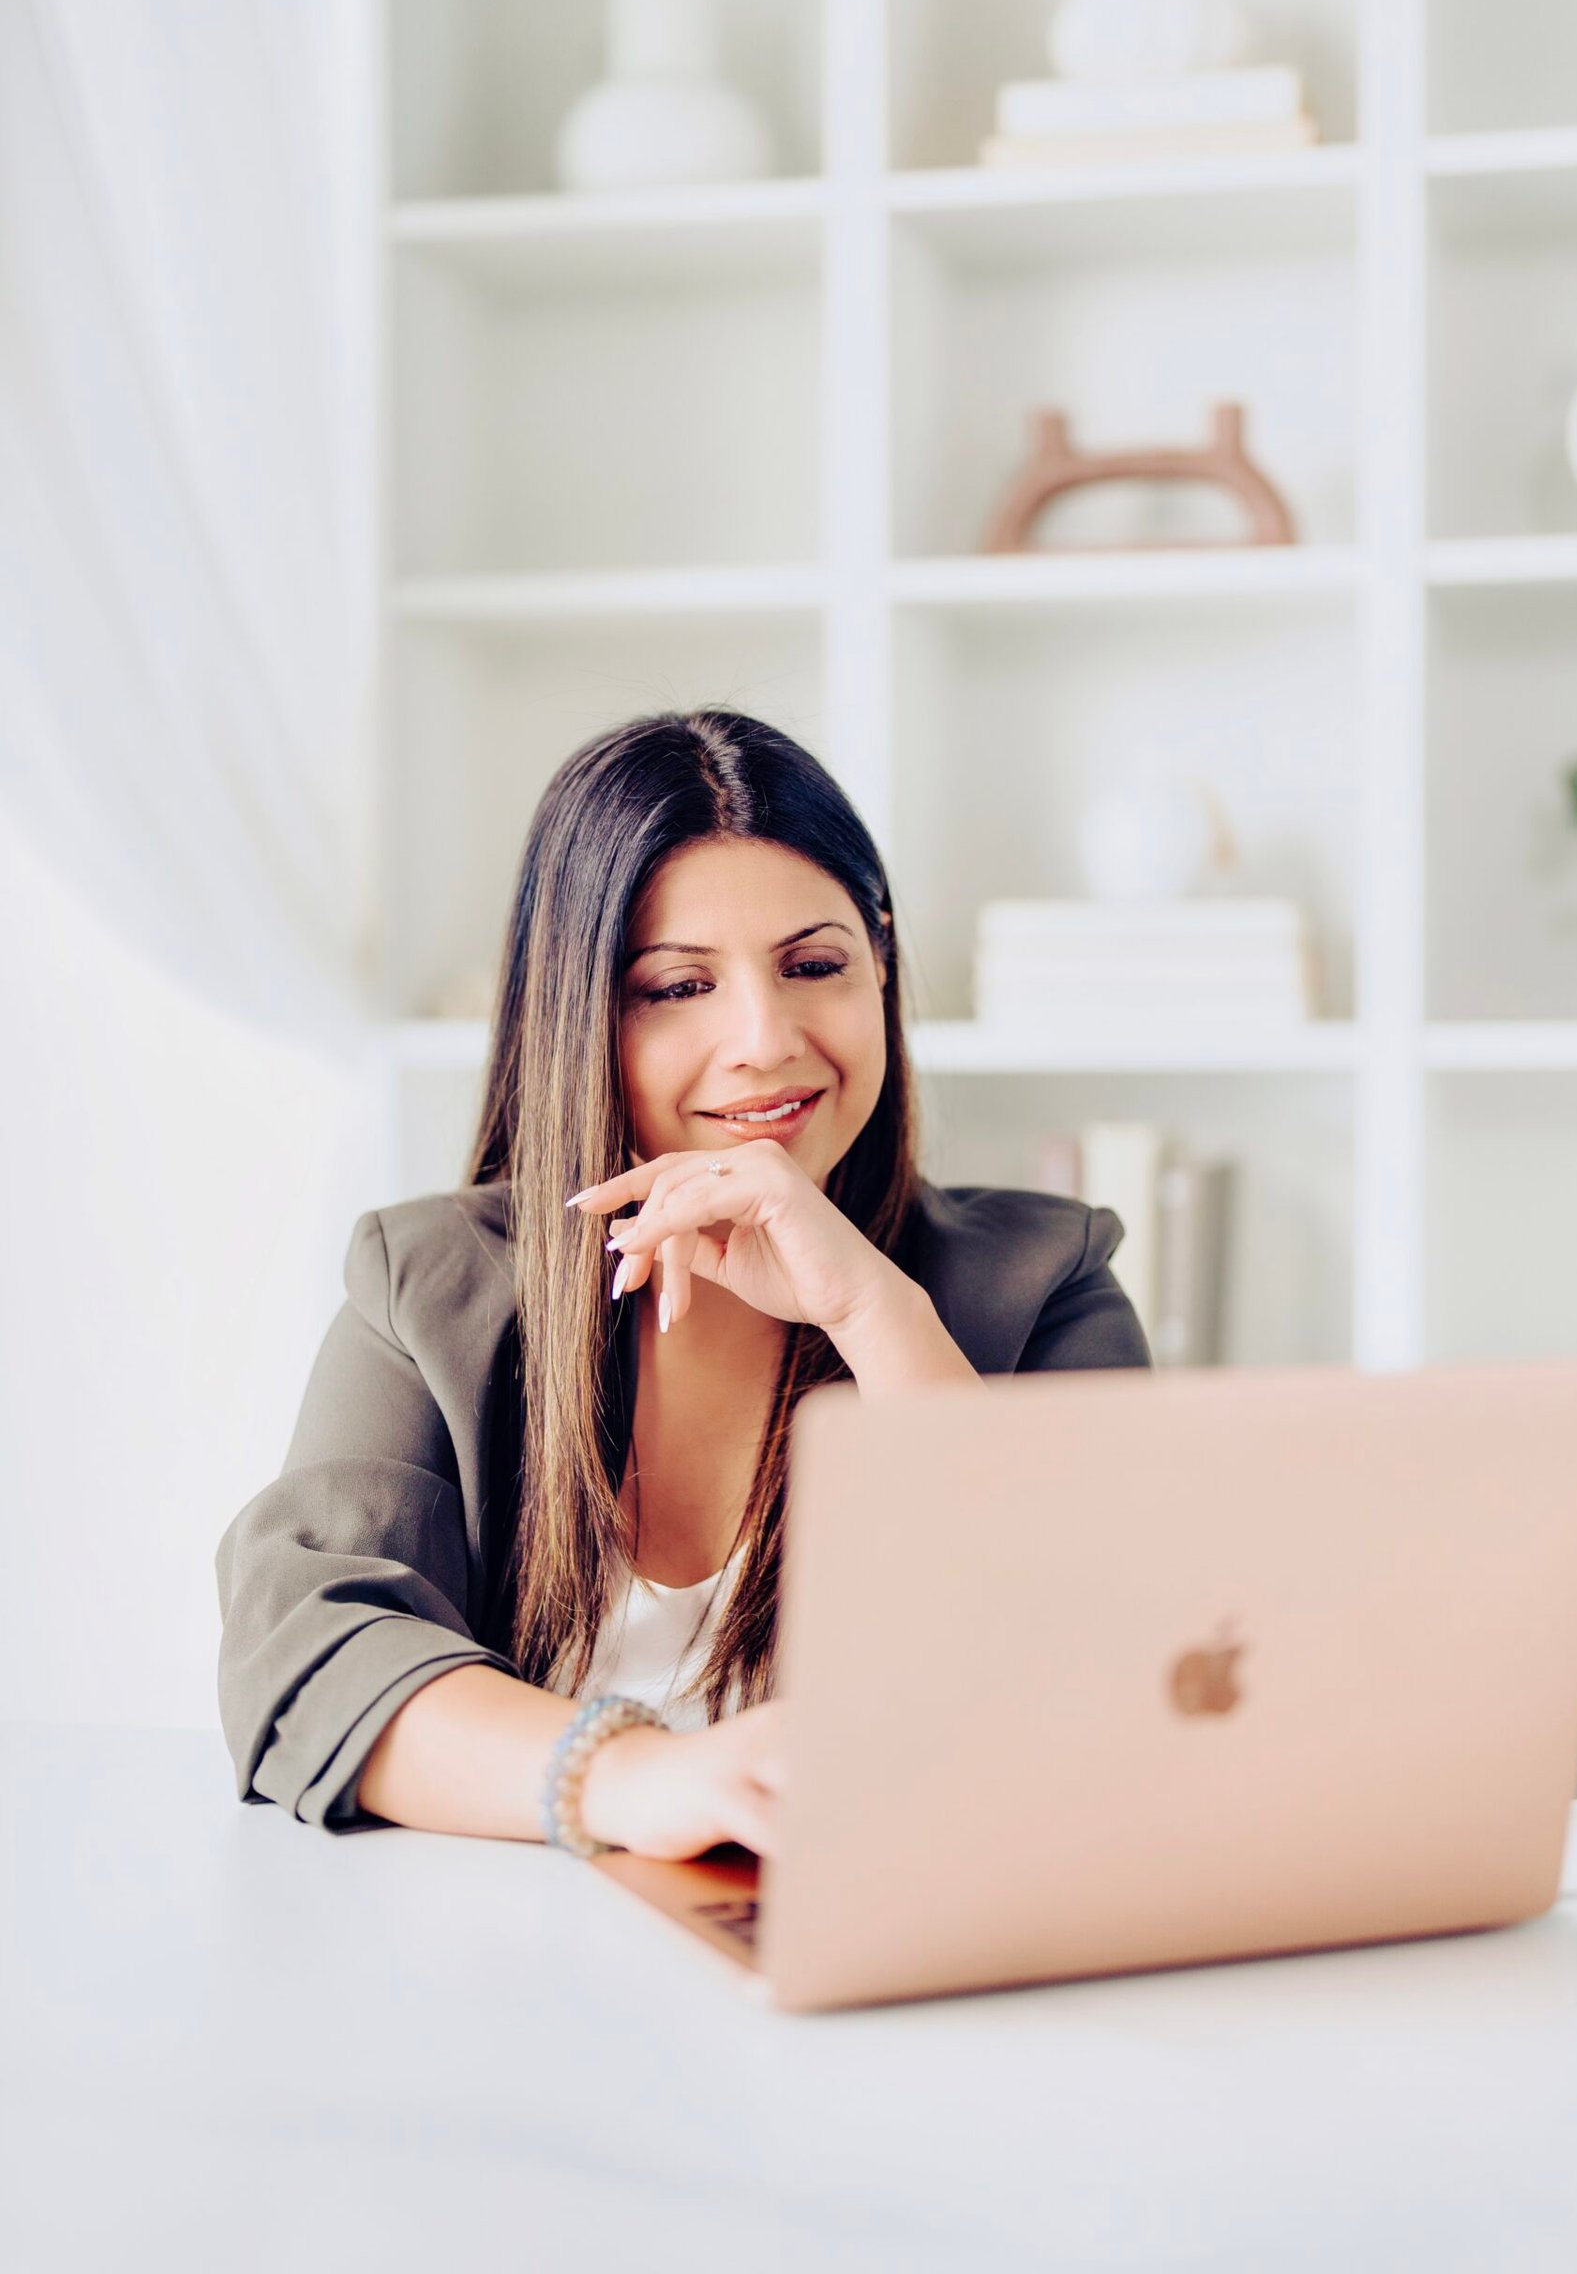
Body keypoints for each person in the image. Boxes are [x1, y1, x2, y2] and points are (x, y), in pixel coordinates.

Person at [214, 707, 1151, 1864]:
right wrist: (634, 1778)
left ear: (882, 964)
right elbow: (305, 1650)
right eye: (674, 987)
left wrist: (874, 1314)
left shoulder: (1044, 1280)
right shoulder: (428, 1286)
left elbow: (1113, 1668)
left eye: (815, 966)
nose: (763, 1039)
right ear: (580, 1014)